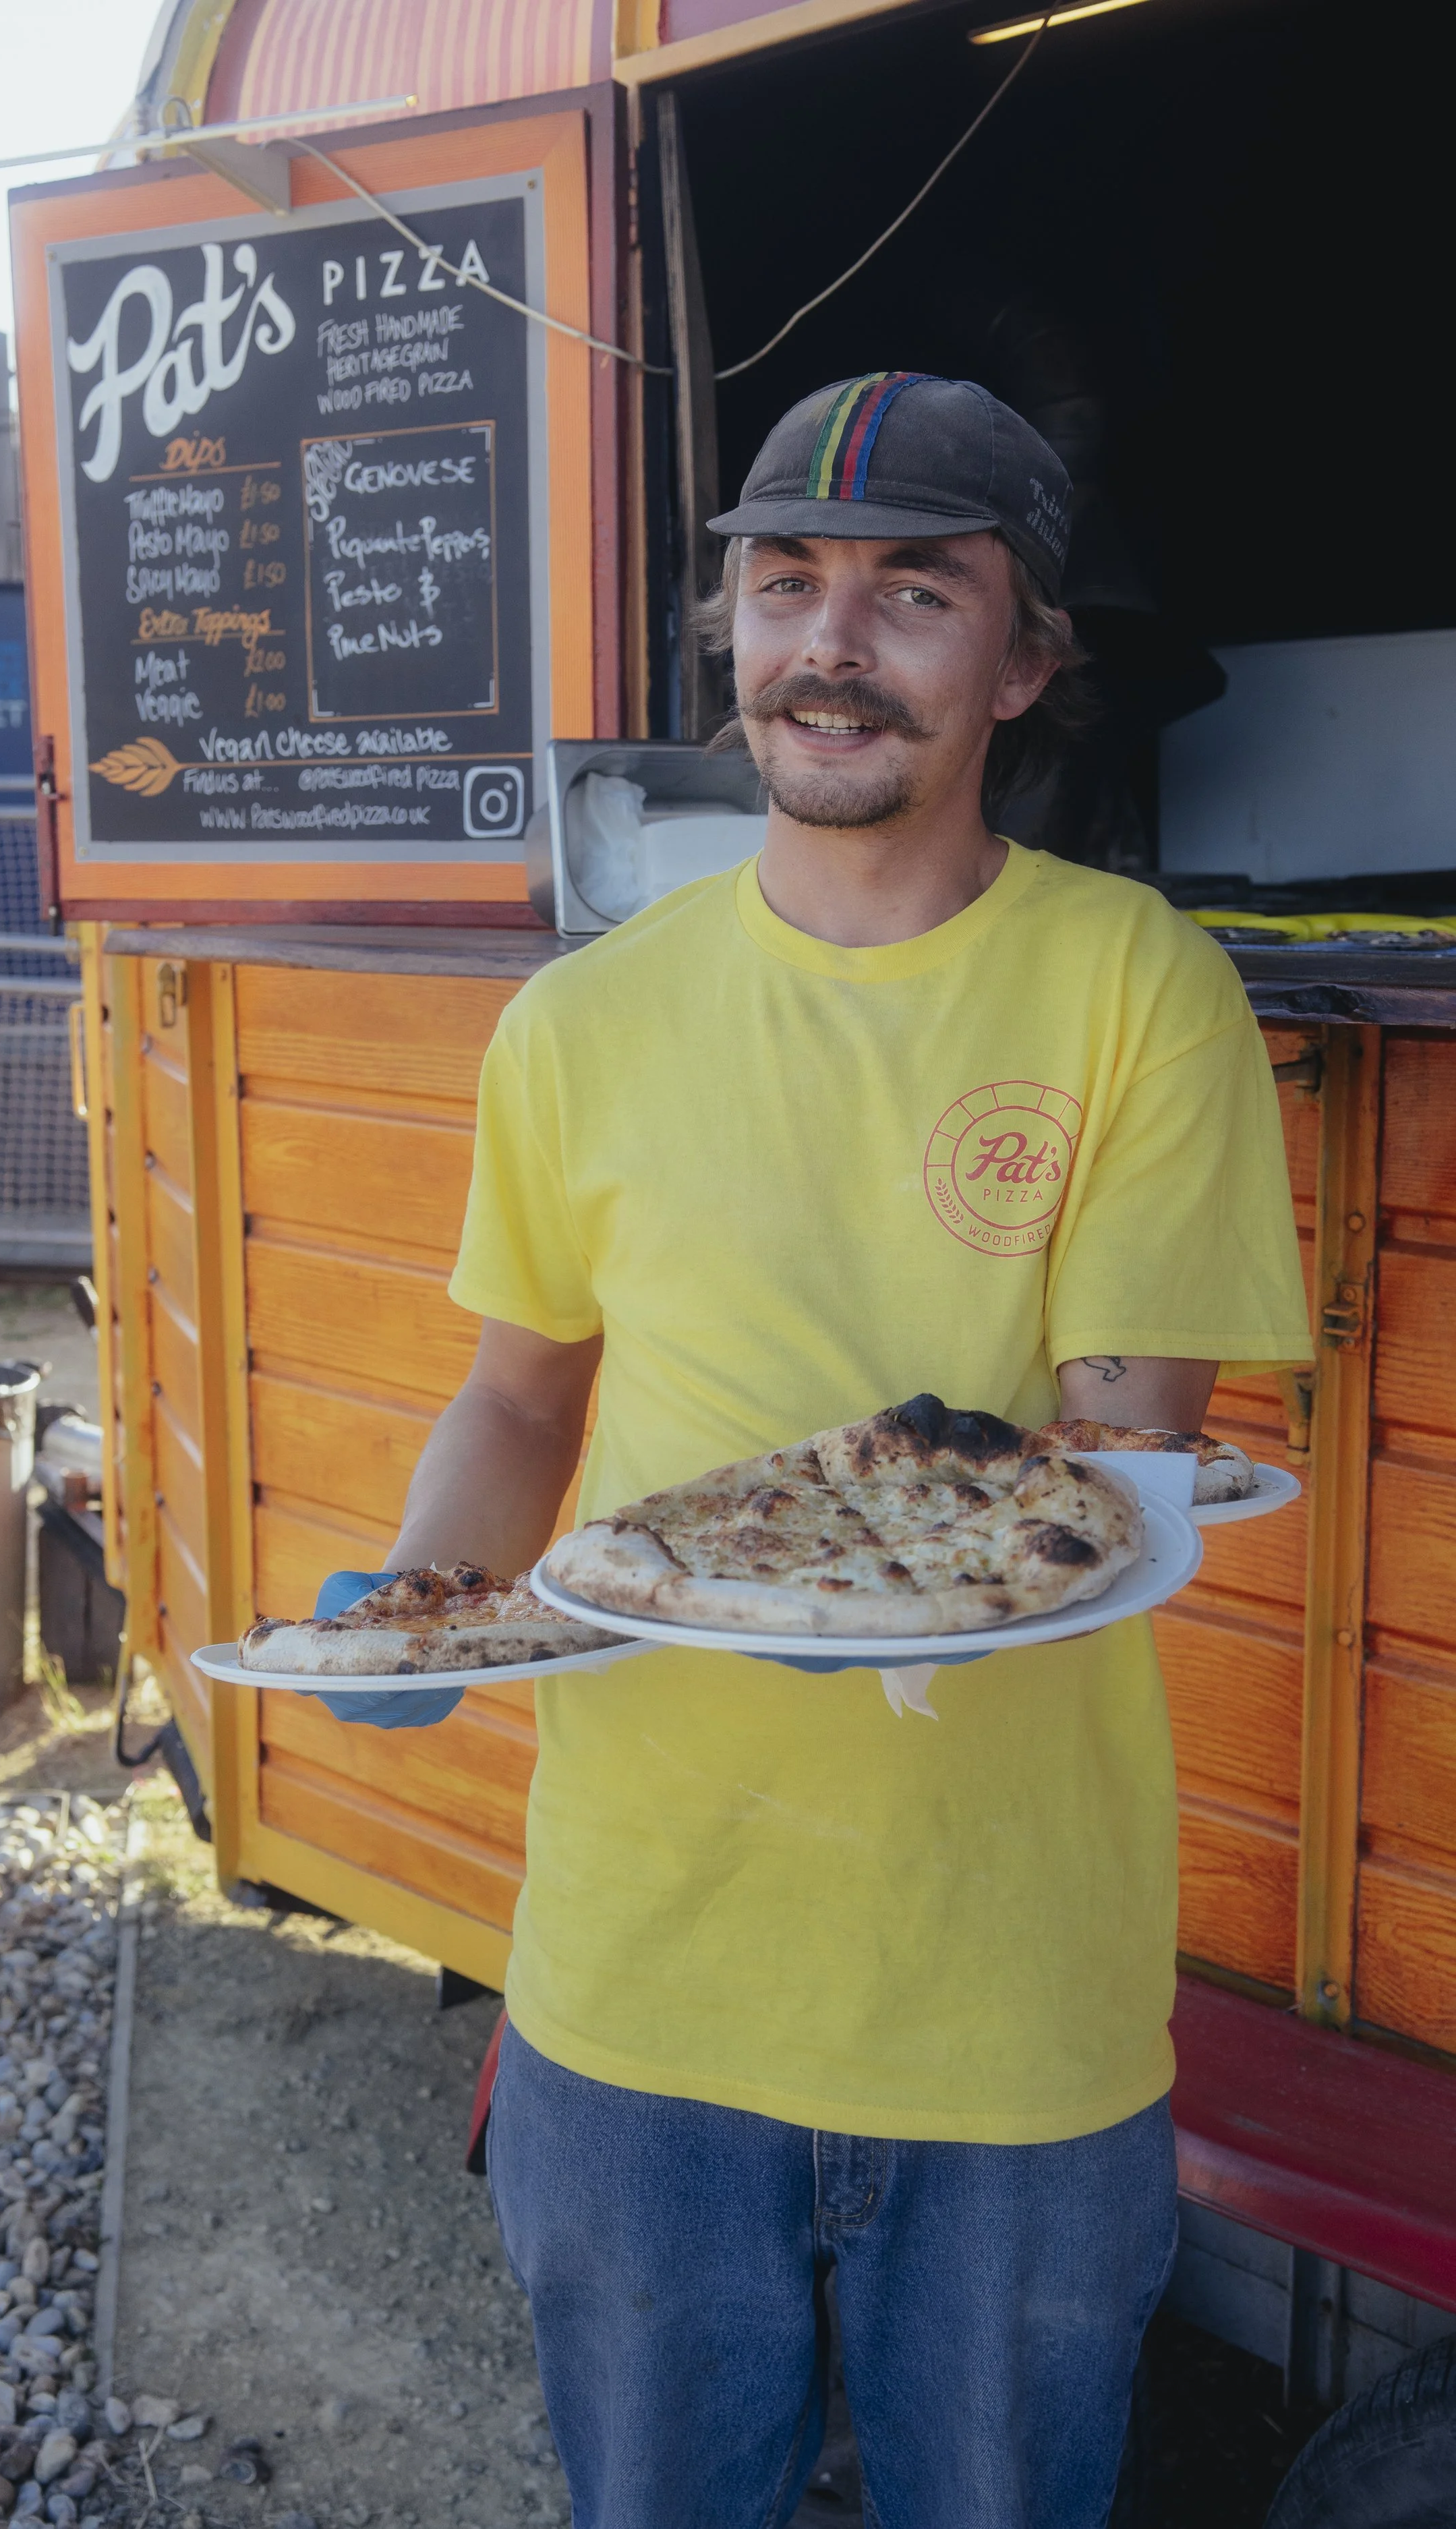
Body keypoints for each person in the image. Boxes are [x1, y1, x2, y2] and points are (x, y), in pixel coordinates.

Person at [316, 373, 1311, 2528]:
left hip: (1013, 1998)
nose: (826, 643)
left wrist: (841, 1590)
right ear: (732, 634)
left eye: (911, 592)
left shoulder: (1137, 989)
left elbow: (1116, 1468)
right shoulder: (580, 1018)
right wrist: (414, 1616)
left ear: (1027, 659)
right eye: (783, 585)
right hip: (640, 1974)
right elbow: (516, 1399)